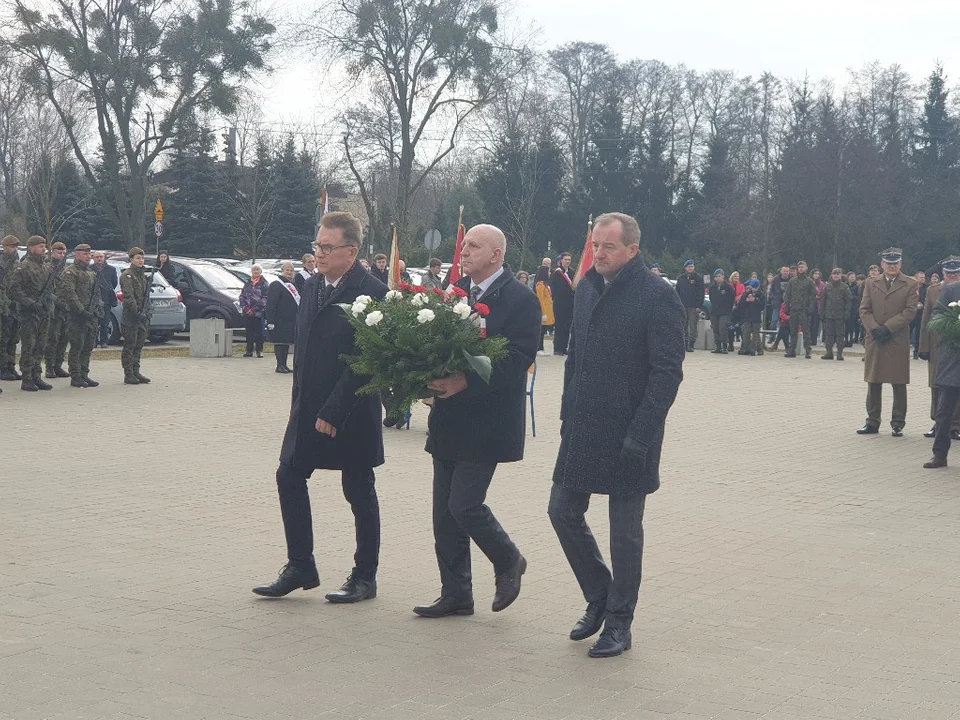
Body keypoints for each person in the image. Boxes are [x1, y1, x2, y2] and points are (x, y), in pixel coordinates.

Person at [550, 212, 684, 658]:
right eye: (596, 245)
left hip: (631, 432)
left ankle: (620, 624)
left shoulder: (656, 296)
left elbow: (667, 373)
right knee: (561, 512)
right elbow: (574, 357)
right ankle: (600, 597)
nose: (600, 253)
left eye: (609, 246)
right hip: (584, 427)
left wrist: (642, 433)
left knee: (624, 533)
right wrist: (567, 410)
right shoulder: (587, 287)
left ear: (632, 249)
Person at [253, 212, 388, 602]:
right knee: (289, 475)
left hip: (351, 411)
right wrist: (301, 402)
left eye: (327, 247)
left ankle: (365, 576)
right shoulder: (311, 286)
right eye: (317, 246)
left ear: (352, 250)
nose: (319, 254)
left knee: (358, 490)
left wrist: (334, 410)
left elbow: (367, 361)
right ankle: (301, 565)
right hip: (308, 406)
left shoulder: (373, 294)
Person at [413, 223, 540, 620]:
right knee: (443, 515)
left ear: (496, 255)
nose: (463, 251)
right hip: (449, 418)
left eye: (473, 246)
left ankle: (508, 559)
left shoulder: (520, 299)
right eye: (464, 245)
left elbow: (518, 359)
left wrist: (464, 380)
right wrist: (424, 380)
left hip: (488, 420)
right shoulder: (455, 294)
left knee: (465, 505)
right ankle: (456, 594)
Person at [857, 248, 919, 437]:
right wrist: (874, 328)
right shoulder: (871, 283)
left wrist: (888, 327)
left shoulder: (910, 283)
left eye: (895, 263)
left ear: (901, 264)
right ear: (882, 264)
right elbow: (864, 309)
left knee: (898, 382)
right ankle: (872, 421)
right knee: (873, 380)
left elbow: (910, 312)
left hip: (896, 338)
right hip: (876, 337)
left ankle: (897, 423)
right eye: (888, 263)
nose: (892, 266)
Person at [922, 256, 960, 468]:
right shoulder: (949, 291)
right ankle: (940, 454)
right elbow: (935, 317)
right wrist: (952, 327)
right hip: (952, 358)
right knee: (944, 410)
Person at [7, 236, 53, 391]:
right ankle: (26, 378)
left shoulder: (46, 267)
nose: (43, 249)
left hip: (43, 311)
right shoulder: (23, 267)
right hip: (29, 313)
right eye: (40, 246)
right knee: (29, 345)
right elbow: (13, 290)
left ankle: (36, 375)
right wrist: (29, 302)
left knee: (40, 345)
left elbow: (50, 289)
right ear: (31, 247)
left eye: (44, 246)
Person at [59, 243, 102, 387]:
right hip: (77, 316)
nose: (88, 256)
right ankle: (75, 375)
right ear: (76, 255)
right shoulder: (70, 272)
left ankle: (84, 374)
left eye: (89, 254)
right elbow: (69, 294)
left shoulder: (90, 272)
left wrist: (97, 310)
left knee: (88, 347)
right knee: (77, 346)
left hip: (91, 315)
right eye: (85, 254)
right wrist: (81, 311)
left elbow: (96, 293)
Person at [118, 248, 151, 385]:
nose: (140, 260)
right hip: (131, 316)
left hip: (142, 315)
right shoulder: (127, 275)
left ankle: (136, 371)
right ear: (131, 259)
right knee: (130, 345)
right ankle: (128, 373)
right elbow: (129, 296)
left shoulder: (142, 276)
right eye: (138, 258)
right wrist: (137, 312)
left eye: (142, 258)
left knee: (139, 345)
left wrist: (145, 312)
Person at [266, 261, 299, 374]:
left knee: (286, 343)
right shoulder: (276, 284)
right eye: (287, 270)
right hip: (279, 320)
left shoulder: (292, 285)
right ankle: (279, 365)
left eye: (291, 270)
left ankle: (284, 364)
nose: (289, 272)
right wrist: (270, 320)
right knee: (280, 342)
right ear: (282, 271)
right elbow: (271, 304)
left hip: (290, 320)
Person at [44, 241, 70, 379]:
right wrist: (57, 301)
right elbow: (46, 289)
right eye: (59, 252)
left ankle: (58, 365)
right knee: (52, 338)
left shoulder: (66, 269)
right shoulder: (48, 268)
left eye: (63, 252)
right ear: (52, 252)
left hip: (65, 308)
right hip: (53, 308)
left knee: (64, 338)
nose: (61, 255)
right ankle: (49, 367)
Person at [784, 260, 817, 359]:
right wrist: (787, 306)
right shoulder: (792, 281)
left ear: (806, 268)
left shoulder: (809, 281)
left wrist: (811, 308)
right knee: (793, 330)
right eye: (799, 267)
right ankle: (792, 350)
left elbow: (812, 296)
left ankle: (808, 350)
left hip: (804, 309)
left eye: (803, 267)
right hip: (794, 309)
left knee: (806, 330)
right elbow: (787, 294)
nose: (801, 268)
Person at [0, 235, 21, 381]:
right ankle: (2, 368)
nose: (14, 250)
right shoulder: (1, 264)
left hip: (15, 307)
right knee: (3, 339)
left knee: (13, 339)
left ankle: (10, 365)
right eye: (12, 247)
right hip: (3, 307)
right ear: (4, 247)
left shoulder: (17, 264)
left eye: (16, 247)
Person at [820, 268, 852, 361]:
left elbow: (848, 302)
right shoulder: (827, 287)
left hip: (840, 315)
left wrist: (846, 313)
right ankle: (829, 353)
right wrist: (821, 313)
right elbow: (823, 301)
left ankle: (839, 354)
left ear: (841, 275)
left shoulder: (845, 287)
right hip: (828, 315)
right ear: (831, 275)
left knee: (840, 335)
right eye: (834, 274)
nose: (836, 275)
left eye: (838, 274)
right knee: (828, 335)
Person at [239, 264, 269, 358]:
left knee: (259, 333)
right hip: (247, 312)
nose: (256, 271)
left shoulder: (264, 283)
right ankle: (249, 350)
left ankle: (259, 350)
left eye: (257, 270)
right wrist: (245, 308)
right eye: (254, 270)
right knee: (249, 332)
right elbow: (242, 296)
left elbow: (265, 298)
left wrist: (254, 309)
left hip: (258, 313)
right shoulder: (247, 283)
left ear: (261, 272)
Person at [675, 259, 704, 352]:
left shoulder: (698, 278)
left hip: (693, 306)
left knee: (693, 326)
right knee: (684, 325)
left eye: (691, 266)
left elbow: (701, 293)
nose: (690, 268)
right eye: (688, 267)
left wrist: (699, 306)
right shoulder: (681, 278)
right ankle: (684, 343)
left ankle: (691, 344)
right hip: (683, 305)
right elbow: (677, 292)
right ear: (685, 268)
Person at [92, 251, 119, 347]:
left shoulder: (111, 269)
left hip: (106, 299)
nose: (99, 259)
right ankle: (93, 341)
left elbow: (114, 283)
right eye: (97, 257)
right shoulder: (90, 269)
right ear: (93, 258)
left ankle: (104, 341)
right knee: (94, 322)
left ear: (104, 258)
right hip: (93, 299)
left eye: (101, 257)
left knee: (105, 322)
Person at [550, 253, 574, 356]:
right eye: (566, 259)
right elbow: (558, 288)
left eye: (569, 259)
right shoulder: (557, 273)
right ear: (561, 261)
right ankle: (557, 348)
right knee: (560, 326)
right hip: (560, 303)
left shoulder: (572, 272)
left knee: (567, 326)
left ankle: (564, 347)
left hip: (570, 303)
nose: (567, 261)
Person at [707, 269, 733, 354]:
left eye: (719, 276)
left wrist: (728, 311)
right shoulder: (712, 287)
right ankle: (718, 346)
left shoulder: (728, 287)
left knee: (723, 329)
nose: (718, 278)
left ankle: (725, 346)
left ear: (723, 276)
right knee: (716, 329)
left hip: (724, 312)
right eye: (716, 276)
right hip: (715, 311)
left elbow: (731, 300)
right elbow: (711, 298)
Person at [738, 279, 764, 355]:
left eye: (755, 287)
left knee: (755, 335)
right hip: (747, 317)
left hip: (756, 318)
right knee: (746, 333)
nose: (754, 289)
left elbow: (762, 306)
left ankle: (754, 349)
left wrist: (755, 301)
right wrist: (746, 301)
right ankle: (745, 348)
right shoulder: (746, 294)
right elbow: (740, 305)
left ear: (758, 287)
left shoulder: (761, 295)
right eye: (752, 287)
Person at [535, 266, 554, 356]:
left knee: (543, 330)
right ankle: (538, 348)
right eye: (549, 272)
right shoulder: (540, 284)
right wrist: (543, 313)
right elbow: (540, 299)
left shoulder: (546, 284)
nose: (550, 273)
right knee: (541, 331)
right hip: (544, 310)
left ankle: (541, 348)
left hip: (548, 309)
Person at [910, 270, 927, 359]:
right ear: (916, 278)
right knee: (907, 332)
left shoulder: (927, 288)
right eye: (921, 277)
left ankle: (917, 351)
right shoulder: (910, 287)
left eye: (924, 277)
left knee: (918, 333)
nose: (923, 279)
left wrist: (922, 304)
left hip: (921, 314)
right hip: (910, 313)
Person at [768, 267, 790, 331]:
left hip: (787, 303)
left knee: (785, 321)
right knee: (774, 320)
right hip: (777, 302)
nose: (785, 272)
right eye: (784, 271)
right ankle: (772, 336)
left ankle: (785, 336)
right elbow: (771, 290)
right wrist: (773, 297)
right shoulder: (776, 279)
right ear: (781, 271)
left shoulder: (791, 279)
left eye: (787, 271)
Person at [808, 268, 825, 346]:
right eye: (815, 273)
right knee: (808, 323)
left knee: (815, 323)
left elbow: (823, 295)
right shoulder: (808, 282)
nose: (816, 275)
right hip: (809, 304)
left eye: (818, 274)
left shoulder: (821, 284)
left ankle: (813, 340)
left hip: (817, 305)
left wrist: (818, 296)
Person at [845, 271, 860, 347]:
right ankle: (845, 340)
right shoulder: (845, 286)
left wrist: (851, 297)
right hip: (845, 309)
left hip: (853, 309)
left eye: (853, 277)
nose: (852, 278)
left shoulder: (857, 287)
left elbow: (859, 297)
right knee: (845, 326)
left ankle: (851, 340)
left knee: (851, 326)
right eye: (851, 277)